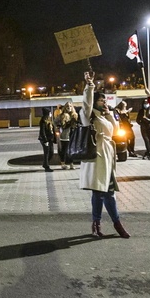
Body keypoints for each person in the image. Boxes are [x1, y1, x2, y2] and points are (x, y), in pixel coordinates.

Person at [80, 74, 130, 238]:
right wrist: (90, 85)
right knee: (99, 193)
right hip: (97, 158)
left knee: (109, 192)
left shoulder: (104, 115)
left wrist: (109, 114)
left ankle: (117, 223)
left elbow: (115, 130)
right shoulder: (89, 115)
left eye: (105, 100)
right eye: (101, 101)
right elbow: (86, 103)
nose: (104, 103)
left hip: (108, 157)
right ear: (95, 102)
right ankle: (96, 224)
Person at [58, 102, 76, 169]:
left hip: (73, 135)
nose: (69, 108)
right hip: (65, 136)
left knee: (71, 150)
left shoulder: (74, 115)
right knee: (64, 150)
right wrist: (58, 127)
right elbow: (55, 122)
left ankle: (71, 164)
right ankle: (63, 163)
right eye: (68, 106)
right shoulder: (63, 115)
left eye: (70, 106)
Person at [38, 107, 56, 172]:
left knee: (51, 153)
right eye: (50, 113)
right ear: (47, 113)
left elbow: (52, 130)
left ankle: (45, 164)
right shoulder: (43, 121)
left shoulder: (49, 120)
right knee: (47, 153)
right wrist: (45, 140)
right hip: (45, 139)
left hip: (50, 139)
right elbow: (42, 131)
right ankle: (46, 166)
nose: (51, 114)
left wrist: (54, 139)